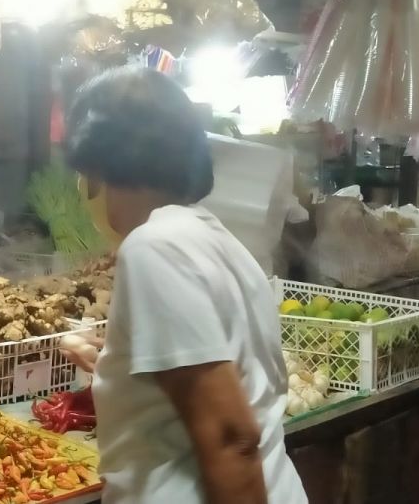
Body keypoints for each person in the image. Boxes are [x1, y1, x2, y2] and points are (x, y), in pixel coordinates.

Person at [60, 67, 307, 504]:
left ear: (97, 167)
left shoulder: (154, 247)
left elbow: (231, 437)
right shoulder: (218, 241)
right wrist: (115, 365)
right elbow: (215, 381)